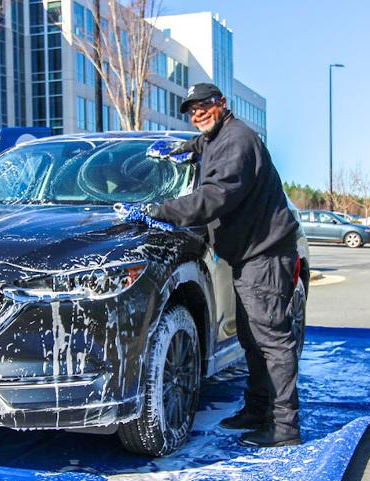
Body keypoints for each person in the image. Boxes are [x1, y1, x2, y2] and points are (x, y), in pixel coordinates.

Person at [129, 83, 302, 448]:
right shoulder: (216, 137)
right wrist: (183, 149)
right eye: (192, 110)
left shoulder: (238, 140)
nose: (198, 114)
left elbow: (215, 195)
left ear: (222, 103)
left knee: (271, 340)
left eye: (204, 105)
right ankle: (257, 409)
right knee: (252, 338)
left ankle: (284, 427)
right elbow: (205, 144)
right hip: (251, 254)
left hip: (266, 254)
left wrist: (159, 211)